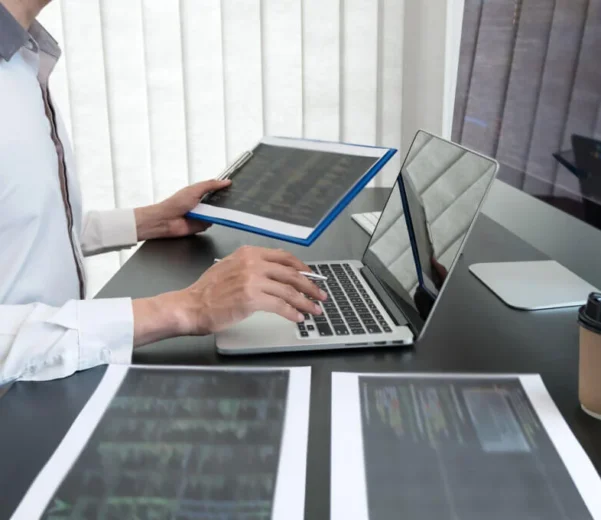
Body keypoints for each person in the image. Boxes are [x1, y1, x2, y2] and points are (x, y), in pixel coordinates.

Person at [0, 0, 326, 385]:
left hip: (50, 377)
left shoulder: (23, 56)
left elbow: (20, 227)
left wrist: (148, 221)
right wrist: (186, 308)